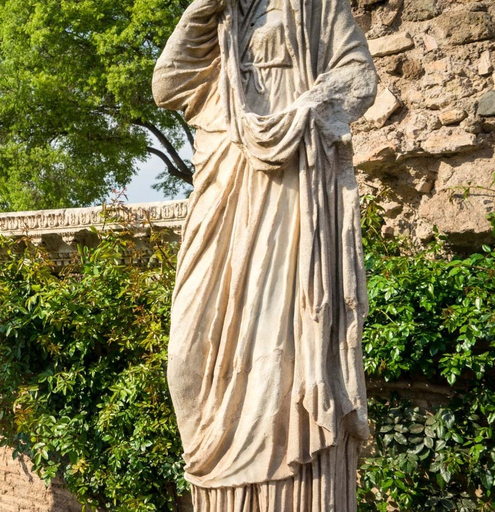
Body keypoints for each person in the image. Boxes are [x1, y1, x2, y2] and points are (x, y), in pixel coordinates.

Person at [152, 0, 377, 509]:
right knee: (187, 359)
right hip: (224, 184)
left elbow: (359, 75)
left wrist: (306, 106)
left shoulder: (317, 7)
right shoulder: (224, 14)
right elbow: (168, 84)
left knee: (284, 355)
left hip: (292, 187)